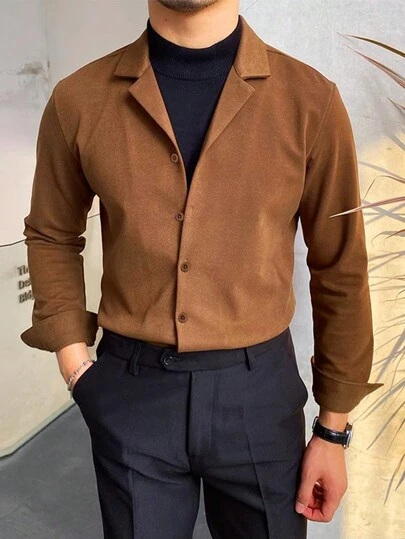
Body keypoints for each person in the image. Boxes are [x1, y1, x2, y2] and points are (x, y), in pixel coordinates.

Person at [20, 0, 384, 537]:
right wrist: (77, 367)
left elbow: (340, 265)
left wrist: (333, 430)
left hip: (260, 400)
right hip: (131, 392)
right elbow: (52, 233)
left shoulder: (310, 101)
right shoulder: (79, 99)